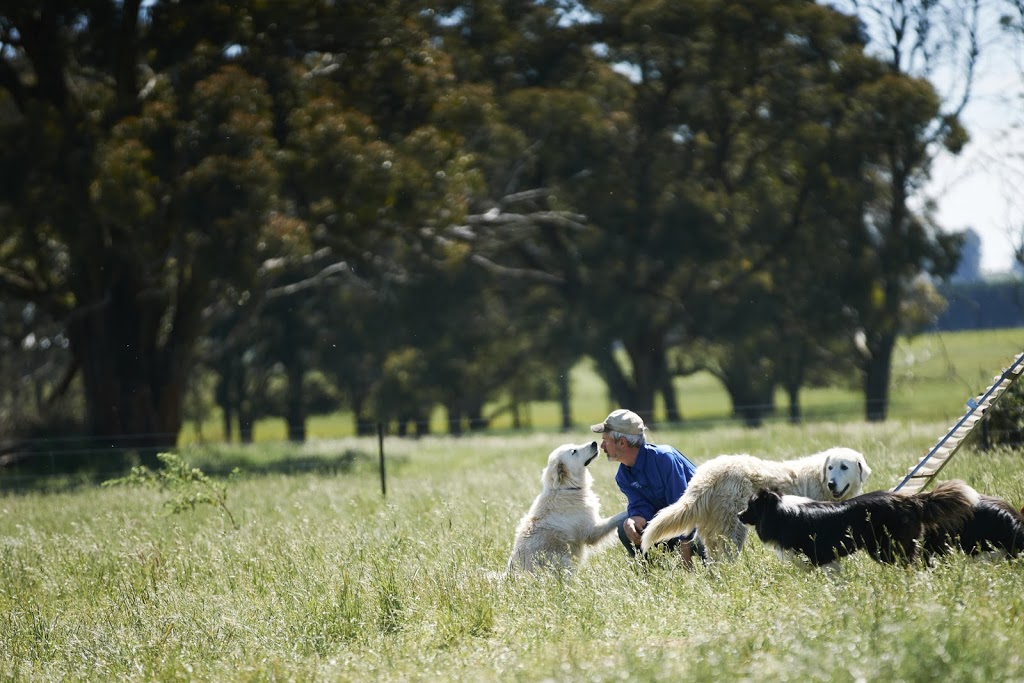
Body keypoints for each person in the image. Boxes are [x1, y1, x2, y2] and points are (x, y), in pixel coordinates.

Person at [591, 408, 702, 567]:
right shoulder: (623, 475)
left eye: (605, 440)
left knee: (706, 541)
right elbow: (640, 506)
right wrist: (634, 520)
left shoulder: (665, 459)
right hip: (669, 526)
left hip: (701, 522)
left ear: (622, 442)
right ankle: (652, 576)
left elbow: (684, 510)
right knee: (624, 527)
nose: (602, 446)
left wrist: (686, 562)